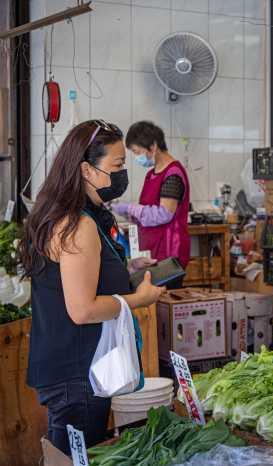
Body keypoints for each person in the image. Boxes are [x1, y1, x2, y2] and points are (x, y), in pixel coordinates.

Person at [19, 120, 165, 454]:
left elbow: (77, 275)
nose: (123, 174)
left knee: (72, 453)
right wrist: (137, 300)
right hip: (76, 373)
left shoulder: (70, 213)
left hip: (70, 366)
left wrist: (126, 268)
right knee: (75, 456)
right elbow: (82, 309)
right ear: (87, 169)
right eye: (117, 166)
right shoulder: (78, 225)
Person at [112, 121, 191, 289]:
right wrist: (122, 210)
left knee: (164, 304)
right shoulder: (151, 174)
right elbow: (146, 214)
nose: (137, 158)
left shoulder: (173, 174)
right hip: (152, 249)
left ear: (153, 146)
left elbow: (163, 214)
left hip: (170, 253)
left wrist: (129, 207)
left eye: (137, 152)